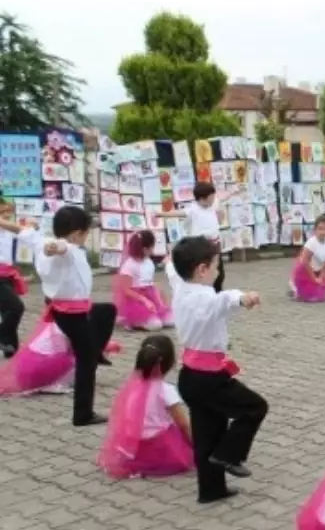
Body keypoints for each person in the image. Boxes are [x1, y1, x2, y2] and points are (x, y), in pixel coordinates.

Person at [171, 236, 269, 504]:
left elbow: (174, 268)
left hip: (190, 375)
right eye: (216, 265)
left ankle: (211, 490)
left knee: (207, 433)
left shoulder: (181, 287)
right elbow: (224, 300)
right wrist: (244, 297)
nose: (218, 270)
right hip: (208, 379)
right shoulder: (204, 297)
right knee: (255, 408)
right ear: (202, 269)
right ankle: (229, 454)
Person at [35, 206, 117, 426]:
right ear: (75, 234)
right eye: (85, 234)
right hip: (71, 313)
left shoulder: (44, 242)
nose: (86, 238)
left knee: (107, 310)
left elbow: (26, 233)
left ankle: (95, 350)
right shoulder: (67, 248)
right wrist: (55, 247)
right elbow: (60, 247)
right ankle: (83, 414)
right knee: (86, 360)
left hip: (77, 308)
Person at [96, 334, 194, 480]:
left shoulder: (131, 387)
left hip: (133, 445)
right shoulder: (165, 390)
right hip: (158, 445)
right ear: (170, 362)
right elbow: (184, 424)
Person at [160, 182, 226, 291]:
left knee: (219, 273)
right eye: (211, 197)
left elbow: (223, 197)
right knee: (205, 272)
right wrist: (160, 214)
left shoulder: (212, 204)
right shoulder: (193, 209)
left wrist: (235, 191)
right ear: (202, 198)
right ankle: (205, 292)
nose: (214, 199)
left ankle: (217, 293)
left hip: (215, 245)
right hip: (201, 247)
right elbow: (178, 213)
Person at [112, 230, 174, 331]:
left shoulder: (149, 262)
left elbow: (150, 282)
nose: (153, 250)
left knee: (170, 321)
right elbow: (126, 290)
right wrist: (144, 300)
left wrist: (159, 297)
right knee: (155, 325)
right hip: (136, 299)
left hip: (150, 295)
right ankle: (133, 321)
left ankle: (148, 318)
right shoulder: (129, 265)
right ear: (145, 249)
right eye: (152, 247)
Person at [0, 204, 39, 357]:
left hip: (7, 274)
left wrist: (32, 225)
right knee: (16, 307)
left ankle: (10, 347)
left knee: (8, 311)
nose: (6, 215)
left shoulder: (10, 231)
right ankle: (4, 337)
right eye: (2, 212)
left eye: (8, 212)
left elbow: (25, 231)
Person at [289, 214, 325, 302]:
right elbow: (305, 262)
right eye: (320, 228)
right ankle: (295, 288)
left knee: (322, 296)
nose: (323, 232)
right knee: (311, 298)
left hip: (318, 271)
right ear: (315, 230)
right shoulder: (311, 243)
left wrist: (321, 276)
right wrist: (314, 278)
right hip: (306, 271)